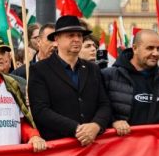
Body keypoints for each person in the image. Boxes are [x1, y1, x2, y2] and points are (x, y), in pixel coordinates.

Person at [28, 16, 113, 144]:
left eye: (79, 35)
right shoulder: (40, 70)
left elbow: (104, 104)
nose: (77, 39)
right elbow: (40, 111)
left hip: (92, 145)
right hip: (60, 146)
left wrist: (96, 125)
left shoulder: (92, 69)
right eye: (71, 35)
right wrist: (76, 129)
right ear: (56, 39)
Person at [103, 29, 159, 136]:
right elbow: (98, 108)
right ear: (135, 48)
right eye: (150, 48)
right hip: (122, 143)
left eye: (158, 49)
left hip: (156, 144)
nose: (155, 53)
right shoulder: (108, 76)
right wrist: (113, 121)